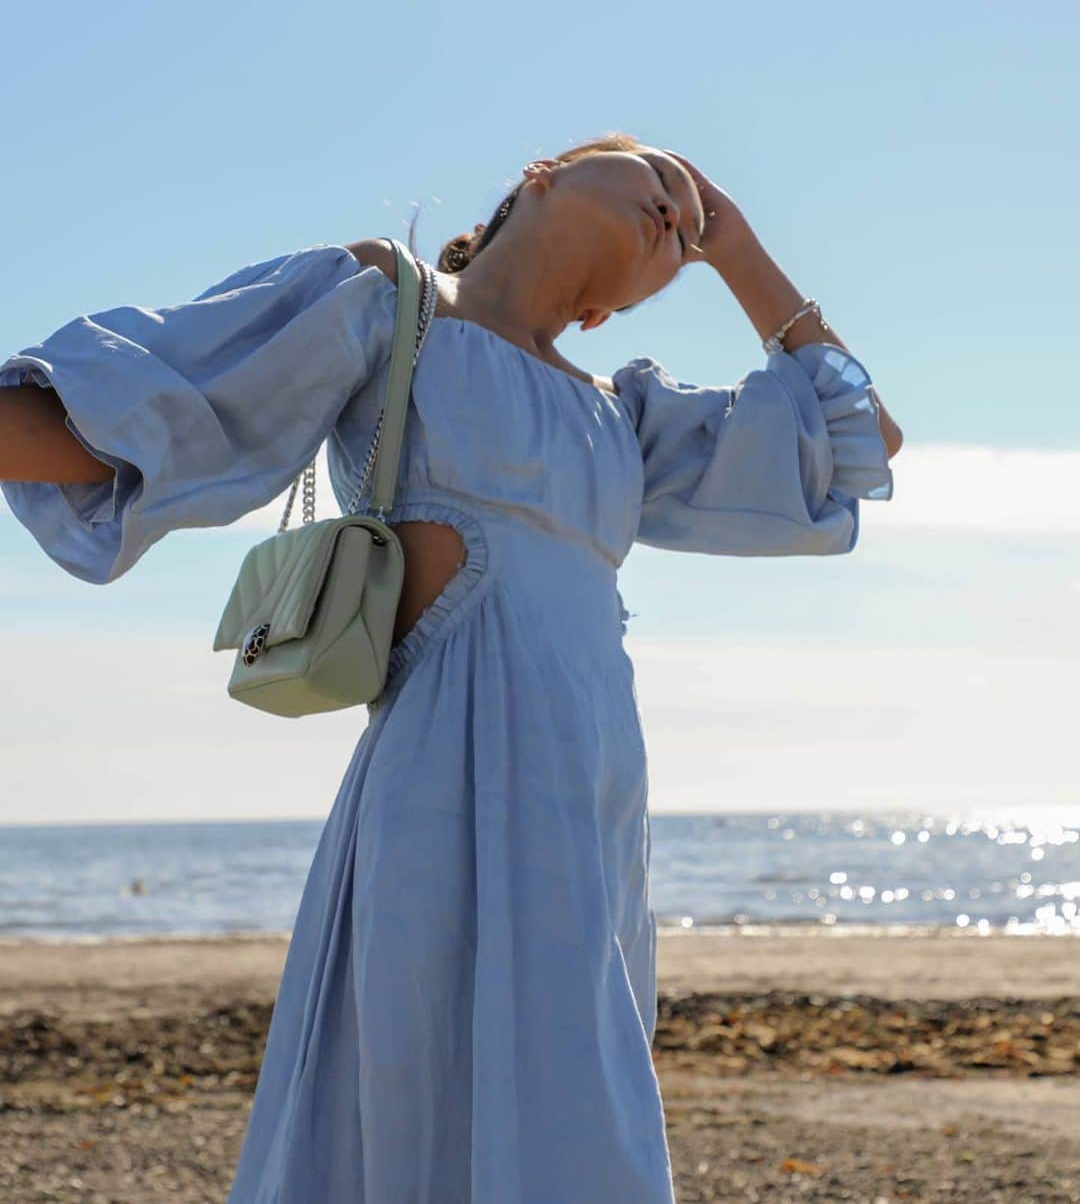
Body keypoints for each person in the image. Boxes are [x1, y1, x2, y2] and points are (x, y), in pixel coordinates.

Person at [0, 131, 901, 1202]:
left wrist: (738, 247)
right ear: (546, 172)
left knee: (578, 1113)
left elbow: (858, 444)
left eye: (689, 224)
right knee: (415, 1087)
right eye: (658, 181)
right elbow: (147, 410)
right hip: (445, 778)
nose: (678, 213)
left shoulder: (622, 415)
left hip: (593, 803)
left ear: (614, 313)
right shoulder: (387, 300)